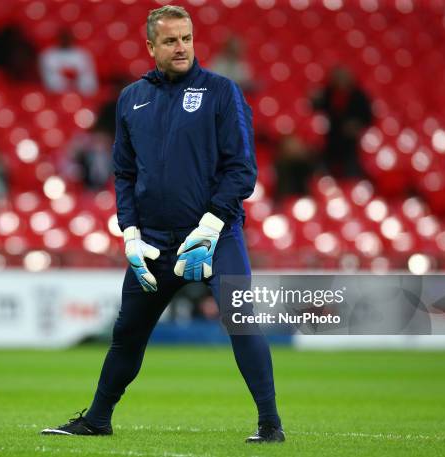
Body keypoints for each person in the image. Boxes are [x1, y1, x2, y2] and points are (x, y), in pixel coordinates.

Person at [41, 5, 284, 444]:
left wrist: (210, 226)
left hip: (215, 238)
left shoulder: (222, 92)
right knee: (127, 334)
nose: (181, 47)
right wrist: (129, 233)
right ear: (151, 46)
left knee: (241, 321)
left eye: (187, 38)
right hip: (154, 242)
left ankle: (270, 424)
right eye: (170, 40)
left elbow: (242, 170)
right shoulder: (132, 98)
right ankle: (97, 419)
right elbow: (125, 173)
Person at [311, 66, 373, 178]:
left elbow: (368, 117)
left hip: (350, 142)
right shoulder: (328, 93)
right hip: (330, 140)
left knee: (351, 172)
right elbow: (317, 112)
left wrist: (357, 126)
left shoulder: (358, 96)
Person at [39, 30, 98, 95]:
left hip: (80, 87)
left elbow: (88, 73)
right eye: (63, 38)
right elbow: (50, 75)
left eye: (67, 38)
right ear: (59, 39)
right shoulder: (48, 54)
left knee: (87, 80)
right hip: (58, 89)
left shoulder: (83, 53)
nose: (65, 40)